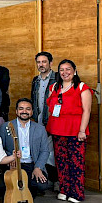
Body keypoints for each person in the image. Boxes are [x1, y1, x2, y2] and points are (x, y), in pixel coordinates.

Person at [46, 59, 92, 203]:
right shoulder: (54, 87)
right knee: (61, 162)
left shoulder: (81, 87)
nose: (65, 72)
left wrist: (82, 130)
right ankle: (64, 190)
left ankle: (76, 192)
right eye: (62, 70)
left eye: (68, 69)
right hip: (57, 131)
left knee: (76, 162)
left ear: (74, 71)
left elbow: (87, 110)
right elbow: (50, 109)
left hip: (75, 131)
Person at [0, 99, 51, 197]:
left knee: (42, 185)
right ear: (16, 111)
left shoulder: (40, 128)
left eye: (28, 109)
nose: (24, 111)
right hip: (14, 164)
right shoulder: (6, 126)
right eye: (21, 109)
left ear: (32, 112)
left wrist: (38, 167)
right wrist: (9, 158)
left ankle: (31, 190)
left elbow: (45, 150)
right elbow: (0, 148)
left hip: (32, 164)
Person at [31, 51, 58, 185]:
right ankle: (46, 179)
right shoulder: (35, 81)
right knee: (43, 151)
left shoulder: (57, 79)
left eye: (44, 62)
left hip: (53, 121)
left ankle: (56, 181)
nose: (41, 65)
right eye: (39, 62)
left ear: (50, 63)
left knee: (54, 152)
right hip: (39, 121)